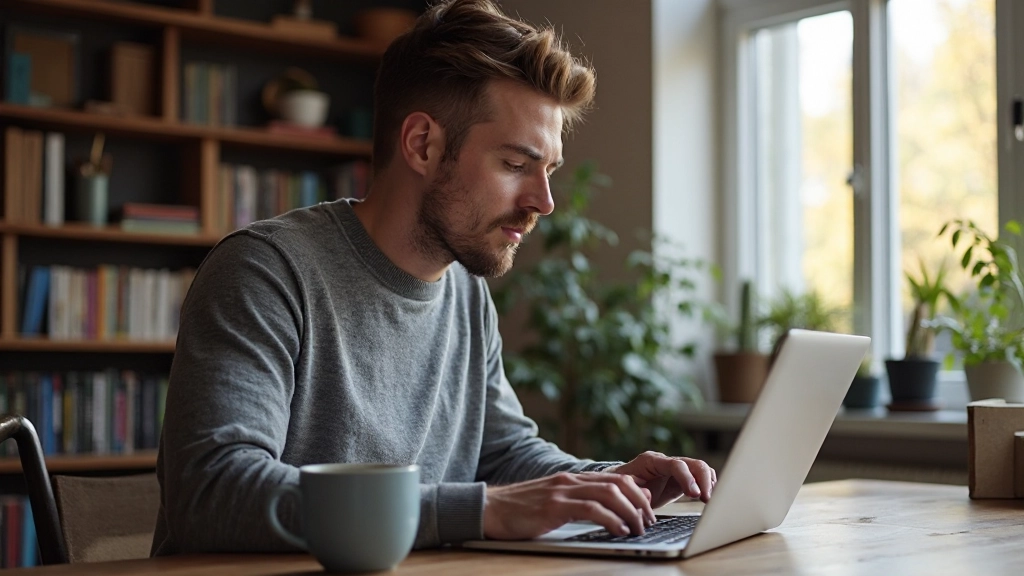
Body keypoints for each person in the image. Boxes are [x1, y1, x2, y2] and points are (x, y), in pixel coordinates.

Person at [152, 0, 716, 555]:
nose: (544, 202)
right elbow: (214, 491)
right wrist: (484, 510)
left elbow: (503, 453)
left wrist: (609, 481)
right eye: (516, 166)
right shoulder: (265, 272)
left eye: (548, 171)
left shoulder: (466, 291)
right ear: (423, 145)